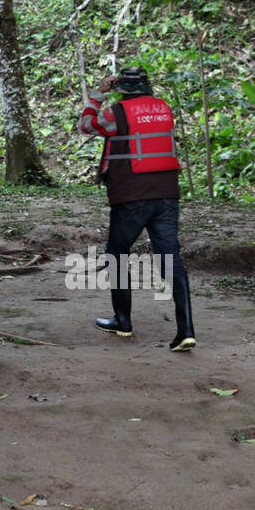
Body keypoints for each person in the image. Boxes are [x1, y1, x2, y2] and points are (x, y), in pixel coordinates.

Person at [79, 66, 196, 351]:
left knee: (117, 254)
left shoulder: (116, 112)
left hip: (132, 195)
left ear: (121, 89)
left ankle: (123, 321)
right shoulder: (164, 109)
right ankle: (186, 331)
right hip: (167, 194)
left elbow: (85, 125)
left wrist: (98, 93)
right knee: (171, 259)